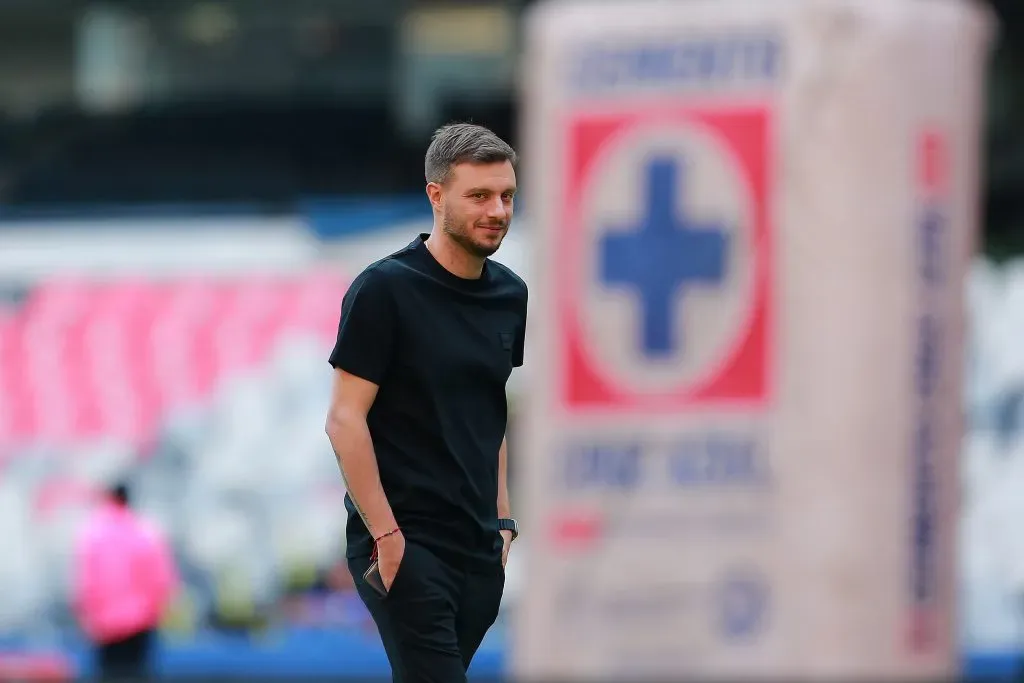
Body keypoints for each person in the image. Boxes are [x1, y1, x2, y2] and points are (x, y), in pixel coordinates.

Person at [325, 122, 526, 683]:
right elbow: (344, 420)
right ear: (436, 196)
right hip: (406, 541)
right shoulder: (384, 290)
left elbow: (491, 411)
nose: (498, 211)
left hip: (480, 546)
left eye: (507, 196)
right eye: (479, 196)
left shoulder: (511, 295)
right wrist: (387, 537)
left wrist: (504, 518)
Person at [72, 482, 178, 681]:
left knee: (109, 675)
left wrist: (87, 616)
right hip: (140, 622)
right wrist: (156, 611)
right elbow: (162, 580)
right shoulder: (144, 532)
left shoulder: (94, 535)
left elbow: (86, 584)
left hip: (104, 626)